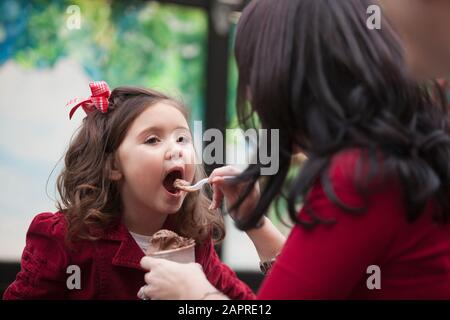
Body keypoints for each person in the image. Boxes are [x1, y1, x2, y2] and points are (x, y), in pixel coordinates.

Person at [139, 0, 450, 299]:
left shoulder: (362, 176)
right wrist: (254, 221)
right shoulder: (391, 158)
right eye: (151, 140)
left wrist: (195, 293)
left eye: (252, 73)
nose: (251, 93)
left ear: (284, 76)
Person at [2, 81, 285, 300]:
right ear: (113, 165)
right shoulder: (64, 239)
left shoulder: (195, 240)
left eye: (182, 138)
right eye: (152, 140)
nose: (176, 149)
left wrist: (253, 220)